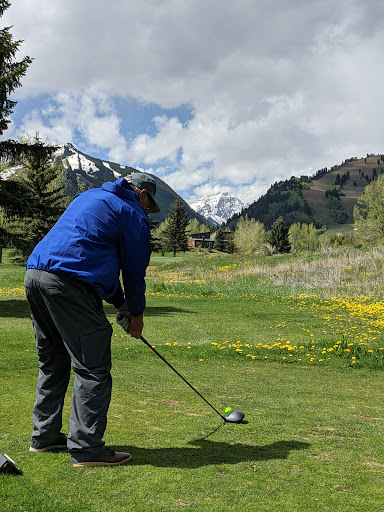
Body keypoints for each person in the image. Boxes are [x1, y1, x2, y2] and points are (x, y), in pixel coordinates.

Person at [24, 173, 160, 468]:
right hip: (68, 284)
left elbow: (92, 257)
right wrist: (136, 314)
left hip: (36, 276)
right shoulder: (131, 211)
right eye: (150, 205)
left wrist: (120, 304)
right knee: (92, 365)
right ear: (143, 194)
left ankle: (44, 436)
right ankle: (86, 449)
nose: (148, 211)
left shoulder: (90, 197)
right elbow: (134, 270)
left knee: (54, 359)